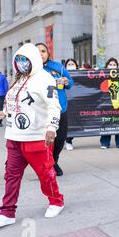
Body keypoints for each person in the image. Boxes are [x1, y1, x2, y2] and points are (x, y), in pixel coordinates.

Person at [0, 43, 64, 229]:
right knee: (11, 175)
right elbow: (15, 100)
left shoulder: (45, 79)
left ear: (34, 60)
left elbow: (54, 105)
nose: (21, 63)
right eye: (18, 60)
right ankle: (7, 212)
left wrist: (52, 128)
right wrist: (5, 112)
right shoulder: (18, 79)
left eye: (25, 60)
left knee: (46, 174)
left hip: (37, 137)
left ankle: (56, 201)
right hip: (14, 136)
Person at [36, 43, 74, 177]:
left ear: (48, 53)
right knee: (44, 140)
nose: (41, 53)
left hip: (60, 108)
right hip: (41, 111)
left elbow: (70, 82)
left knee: (60, 139)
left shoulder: (58, 67)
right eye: (38, 51)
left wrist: (66, 81)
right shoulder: (32, 70)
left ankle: (54, 161)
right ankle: (46, 164)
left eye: (43, 51)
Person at [100, 58, 119, 149]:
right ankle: (105, 143)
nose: (112, 66)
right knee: (106, 122)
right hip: (106, 103)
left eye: (114, 65)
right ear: (106, 66)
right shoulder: (102, 76)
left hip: (118, 102)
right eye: (110, 64)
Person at [64, 59, 78, 151]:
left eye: (72, 64)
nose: (71, 65)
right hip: (66, 101)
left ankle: (69, 140)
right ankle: (68, 141)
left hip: (78, 102)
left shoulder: (80, 73)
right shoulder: (63, 75)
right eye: (69, 64)